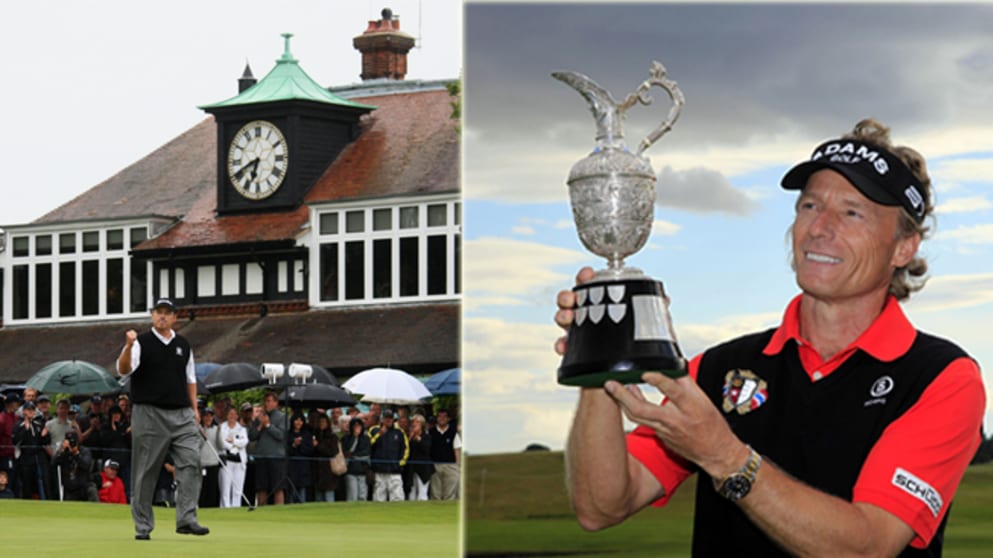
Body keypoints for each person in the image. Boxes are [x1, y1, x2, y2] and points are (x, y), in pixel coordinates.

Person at [554, 119, 987, 556]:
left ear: (903, 247)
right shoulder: (720, 368)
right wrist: (597, 361)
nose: (820, 228)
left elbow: (869, 546)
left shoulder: (941, 378)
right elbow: (602, 507)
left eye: (852, 212)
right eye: (810, 206)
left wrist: (725, 456)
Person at [117, 298, 209, 540]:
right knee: (145, 471)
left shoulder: (183, 345)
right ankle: (143, 527)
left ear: (174, 317)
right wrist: (127, 346)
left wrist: (194, 409)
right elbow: (124, 370)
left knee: (191, 462)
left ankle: (187, 519)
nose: (162, 317)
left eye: (167, 313)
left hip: (182, 414)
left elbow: (190, 379)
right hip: (149, 413)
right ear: (152, 315)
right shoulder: (141, 343)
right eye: (159, 312)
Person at [248, 391, 288, 505]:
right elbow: (252, 436)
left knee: (278, 487)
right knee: (261, 487)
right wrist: (260, 425)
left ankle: (279, 511)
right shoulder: (260, 417)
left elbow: (281, 435)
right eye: (265, 401)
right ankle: (262, 511)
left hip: (277, 457)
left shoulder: (282, 417)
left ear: (276, 403)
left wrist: (268, 426)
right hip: (261, 456)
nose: (267, 404)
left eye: (269, 401)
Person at [369, 408, 409, 502]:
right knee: (379, 497)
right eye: (386, 418)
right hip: (379, 470)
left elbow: (405, 449)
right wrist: (379, 434)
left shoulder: (399, 432)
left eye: (390, 418)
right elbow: (369, 446)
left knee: (397, 497)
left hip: (394, 470)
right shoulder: (374, 430)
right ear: (382, 419)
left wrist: (400, 463)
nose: (388, 420)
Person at [12, 401, 49, 499]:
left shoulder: (38, 424)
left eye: (33, 410)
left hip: (37, 458)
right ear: (24, 411)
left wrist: (44, 435)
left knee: (41, 481)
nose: (31, 412)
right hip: (25, 459)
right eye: (29, 410)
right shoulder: (18, 425)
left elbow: (44, 441)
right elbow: (16, 441)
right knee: (26, 483)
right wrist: (26, 429)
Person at [53, 430, 98, 502]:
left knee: (92, 489)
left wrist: (76, 453)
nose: (71, 444)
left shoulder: (84, 451)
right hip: (70, 489)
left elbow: (86, 465)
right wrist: (62, 452)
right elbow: (53, 463)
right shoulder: (64, 452)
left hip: (84, 487)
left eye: (73, 442)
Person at [218, 407, 249, 508]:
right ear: (227, 415)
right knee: (225, 488)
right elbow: (222, 442)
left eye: (234, 414)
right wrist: (234, 445)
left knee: (237, 489)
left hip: (239, 462)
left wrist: (233, 441)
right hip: (226, 461)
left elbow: (244, 442)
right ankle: (225, 508)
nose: (232, 416)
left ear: (237, 416)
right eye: (230, 414)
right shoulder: (222, 427)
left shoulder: (242, 429)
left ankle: (236, 507)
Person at [428, 408, 461, 500]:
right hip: (435, 466)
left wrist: (457, 466)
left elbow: (457, 450)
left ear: (448, 419)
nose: (442, 419)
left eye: (444, 417)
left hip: (450, 466)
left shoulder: (453, 433)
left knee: (449, 494)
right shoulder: (431, 432)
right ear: (437, 418)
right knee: (435, 493)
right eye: (440, 416)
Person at [341, 416, 372, 501]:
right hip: (351, 470)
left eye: (359, 425)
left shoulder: (366, 438)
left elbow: (366, 453)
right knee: (352, 496)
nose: (357, 428)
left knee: (362, 496)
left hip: (363, 470)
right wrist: (355, 438)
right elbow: (347, 452)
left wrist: (354, 456)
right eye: (355, 426)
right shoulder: (346, 438)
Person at [286, 413, 314, 504]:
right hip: (291, 465)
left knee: (303, 487)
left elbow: (310, 450)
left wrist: (300, 444)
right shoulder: (288, 434)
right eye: (296, 420)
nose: (298, 422)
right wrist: (294, 445)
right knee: (292, 486)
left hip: (303, 465)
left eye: (301, 420)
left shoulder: (307, 434)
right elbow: (286, 450)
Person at [312, 413, 341, 502]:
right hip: (317, 470)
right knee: (318, 497)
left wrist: (318, 446)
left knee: (329, 496)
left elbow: (333, 452)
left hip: (329, 470)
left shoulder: (332, 437)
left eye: (324, 422)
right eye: (320, 422)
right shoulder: (315, 435)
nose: (322, 423)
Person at [406, 413, 433, 501]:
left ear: (422, 425)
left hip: (423, 469)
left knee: (422, 493)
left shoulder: (426, 437)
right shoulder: (409, 437)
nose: (415, 424)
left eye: (417, 422)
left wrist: (418, 439)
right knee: (412, 493)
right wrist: (410, 439)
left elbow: (427, 450)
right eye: (413, 422)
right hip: (412, 468)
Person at [198, 408, 221, 508]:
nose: (208, 418)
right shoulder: (198, 429)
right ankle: (202, 506)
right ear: (202, 417)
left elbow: (220, 446)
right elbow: (198, 445)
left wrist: (219, 432)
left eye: (210, 416)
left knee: (212, 488)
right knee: (202, 488)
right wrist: (204, 432)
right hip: (202, 463)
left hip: (213, 462)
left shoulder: (216, 429)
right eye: (206, 416)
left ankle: (212, 508)